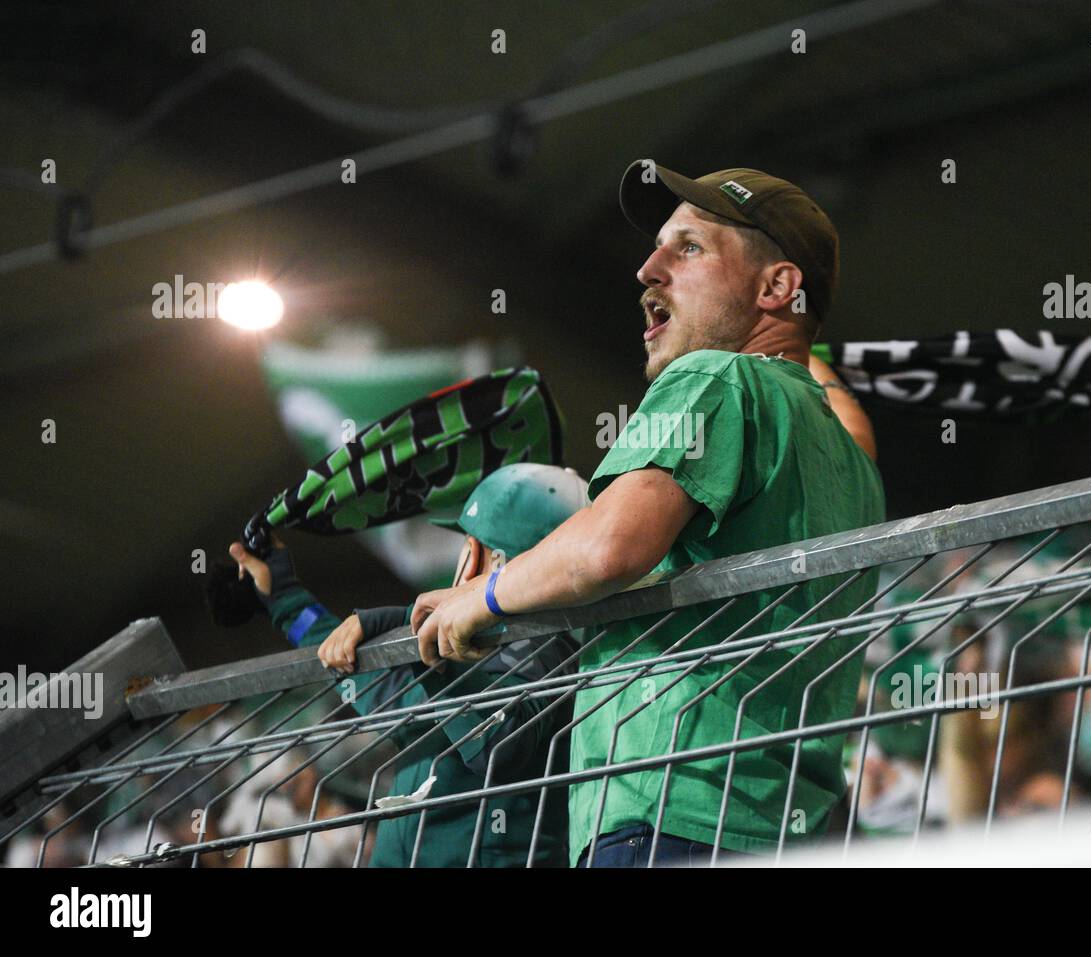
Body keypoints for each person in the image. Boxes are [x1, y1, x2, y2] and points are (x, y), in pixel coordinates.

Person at [411, 162, 886, 866]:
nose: (646, 269)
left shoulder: (716, 376)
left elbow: (610, 547)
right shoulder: (851, 463)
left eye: (688, 247)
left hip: (670, 812)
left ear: (776, 287)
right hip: (793, 827)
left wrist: (480, 598)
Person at [228, 463, 588, 867]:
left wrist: (425, 638)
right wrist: (284, 599)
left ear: (483, 557)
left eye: (466, 544)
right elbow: (369, 682)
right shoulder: (481, 653)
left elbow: (499, 743)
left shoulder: (549, 649)